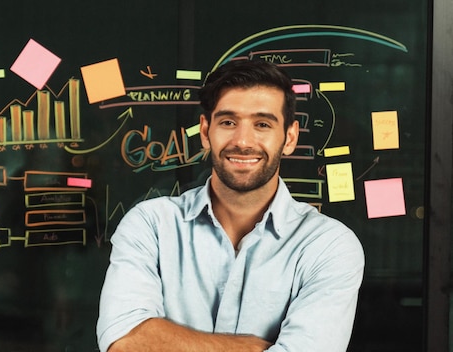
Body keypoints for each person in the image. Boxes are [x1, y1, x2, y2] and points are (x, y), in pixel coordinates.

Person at [96, 59, 365, 352]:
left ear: (289, 138)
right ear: (204, 131)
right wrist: (252, 347)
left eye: (262, 124)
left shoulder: (329, 245)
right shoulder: (151, 225)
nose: (242, 140)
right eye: (228, 122)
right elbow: (124, 344)